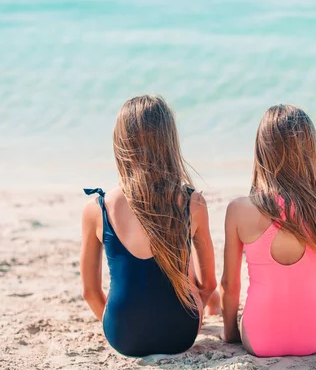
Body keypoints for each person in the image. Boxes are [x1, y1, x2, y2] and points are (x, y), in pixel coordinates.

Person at [220, 104, 316, 357]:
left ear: (262, 150)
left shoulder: (239, 209)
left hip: (259, 340)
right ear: (310, 152)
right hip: (310, 339)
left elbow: (230, 284)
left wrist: (231, 332)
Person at [81, 95, 218, 357]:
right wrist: (197, 307)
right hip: (181, 334)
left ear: (120, 143)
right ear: (169, 142)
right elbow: (209, 283)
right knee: (183, 267)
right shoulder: (193, 203)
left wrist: (118, 326)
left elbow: (89, 291)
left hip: (123, 337)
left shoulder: (97, 209)